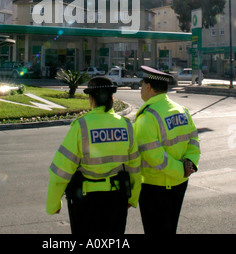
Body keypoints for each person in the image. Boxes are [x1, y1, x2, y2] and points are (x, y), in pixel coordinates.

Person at [46, 76, 141, 236]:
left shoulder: (81, 126)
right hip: (116, 199)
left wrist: (53, 203)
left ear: (91, 99)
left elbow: (61, 169)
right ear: (112, 98)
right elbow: (135, 167)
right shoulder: (125, 125)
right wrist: (132, 198)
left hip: (86, 201)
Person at [134, 66, 201, 235]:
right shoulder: (182, 110)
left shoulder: (148, 117)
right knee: (170, 229)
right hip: (180, 184)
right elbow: (194, 140)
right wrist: (189, 163)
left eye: (142, 85)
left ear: (148, 87)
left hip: (155, 187)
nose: (141, 89)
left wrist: (180, 171)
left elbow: (154, 157)